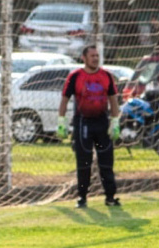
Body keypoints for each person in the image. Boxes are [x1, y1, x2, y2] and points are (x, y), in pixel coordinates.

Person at [57, 45, 121, 208]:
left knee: (106, 161)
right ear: (84, 58)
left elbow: (113, 99)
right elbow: (65, 99)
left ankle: (110, 197)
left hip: (102, 124)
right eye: (92, 56)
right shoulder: (75, 76)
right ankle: (82, 198)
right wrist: (61, 121)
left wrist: (115, 122)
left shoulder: (106, 76)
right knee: (83, 162)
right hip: (83, 124)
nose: (95, 58)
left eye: (97, 55)